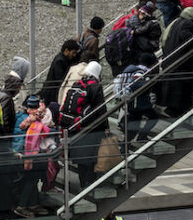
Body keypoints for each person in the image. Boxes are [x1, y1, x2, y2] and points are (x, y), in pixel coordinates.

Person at [63, 61, 108, 189]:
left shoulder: (78, 84)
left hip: (77, 128)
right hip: (92, 129)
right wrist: (106, 127)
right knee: (92, 157)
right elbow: (101, 109)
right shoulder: (95, 86)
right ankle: (91, 185)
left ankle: (84, 184)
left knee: (82, 159)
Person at [157, 6, 193, 117]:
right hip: (182, 62)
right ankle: (178, 110)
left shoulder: (176, 22)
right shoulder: (188, 24)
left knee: (175, 86)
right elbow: (186, 37)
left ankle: (172, 109)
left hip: (172, 60)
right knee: (183, 87)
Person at [115, 53, 160, 143]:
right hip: (138, 103)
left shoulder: (133, 69)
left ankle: (131, 140)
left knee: (149, 118)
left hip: (136, 103)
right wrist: (149, 83)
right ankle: (129, 144)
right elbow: (137, 85)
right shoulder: (141, 72)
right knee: (151, 118)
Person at [39, 39, 81, 105]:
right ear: (66, 51)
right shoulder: (60, 61)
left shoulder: (63, 59)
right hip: (51, 94)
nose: (74, 55)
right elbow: (60, 80)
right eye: (73, 53)